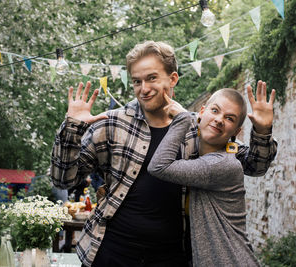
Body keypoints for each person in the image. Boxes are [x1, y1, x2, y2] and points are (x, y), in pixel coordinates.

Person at [50, 40, 275, 267]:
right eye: (137, 81)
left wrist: (263, 130)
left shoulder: (197, 126)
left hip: (172, 257)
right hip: (111, 252)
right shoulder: (111, 124)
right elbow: (63, 180)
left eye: (152, 78)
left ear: (173, 78)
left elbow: (255, 165)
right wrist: (72, 130)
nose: (144, 89)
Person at [147, 82, 277, 266]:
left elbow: (158, 166)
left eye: (229, 118)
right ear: (202, 111)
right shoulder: (189, 140)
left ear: (236, 132)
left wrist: (263, 131)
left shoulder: (223, 162)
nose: (219, 119)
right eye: (215, 111)